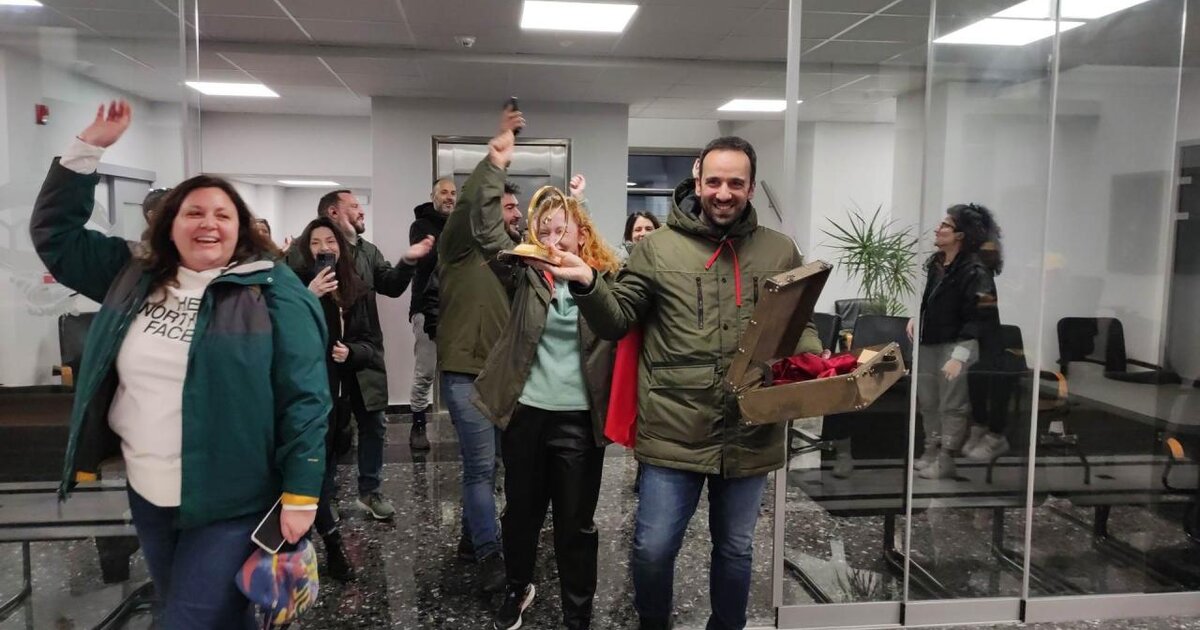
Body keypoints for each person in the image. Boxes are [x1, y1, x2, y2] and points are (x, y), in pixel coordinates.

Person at [30, 101, 329, 628]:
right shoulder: (134, 275)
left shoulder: (273, 291)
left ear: (242, 229)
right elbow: (56, 237)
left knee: (185, 620)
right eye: (193, 212)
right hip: (149, 489)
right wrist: (87, 148)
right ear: (170, 225)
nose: (207, 223)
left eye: (222, 215)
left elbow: (305, 395)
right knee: (202, 614)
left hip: (233, 497)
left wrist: (302, 493)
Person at [544, 136, 822, 630]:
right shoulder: (656, 249)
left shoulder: (780, 251)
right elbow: (617, 320)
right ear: (697, 182)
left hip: (750, 430)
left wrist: (811, 361)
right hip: (673, 430)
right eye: (713, 181)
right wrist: (588, 282)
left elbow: (799, 323)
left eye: (735, 183)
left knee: (735, 548)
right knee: (653, 549)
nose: (723, 193)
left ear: (751, 187)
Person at [472, 181, 617, 630]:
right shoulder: (525, 273)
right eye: (544, 231)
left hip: (579, 418)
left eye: (561, 230)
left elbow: (617, 321)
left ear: (582, 234)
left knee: (576, 524)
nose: (552, 241)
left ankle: (578, 613)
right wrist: (494, 169)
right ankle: (518, 589)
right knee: (520, 514)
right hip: (526, 413)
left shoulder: (605, 279)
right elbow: (486, 232)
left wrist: (584, 272)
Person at [286, 190, 434, 521]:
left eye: (330, 242)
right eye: (354, 206)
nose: (360, 211)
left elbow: (391, 286)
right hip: (323, 363)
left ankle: (370, 492)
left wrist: (408, 261)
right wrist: (310, 293)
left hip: (363, 356)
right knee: (330, 432)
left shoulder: (367, 252)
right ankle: (327, 497)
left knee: (373, 426)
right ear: (333, 213)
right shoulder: (299, 255)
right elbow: (286, 307)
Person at [435, 106, 525, 593]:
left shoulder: (514, 257)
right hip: (466, 374)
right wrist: (494, 164)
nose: (513, 214)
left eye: (514, 209)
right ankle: (490, 556)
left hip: (504, 376)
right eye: (504, 208)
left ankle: (472, 542)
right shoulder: (459, 247)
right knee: (480, 466)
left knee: (496, 467)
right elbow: (471, 204)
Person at [293, 216, 379, 582]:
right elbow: (282, 334)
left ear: (341, 248)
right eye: (315, 242)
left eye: (330, 241)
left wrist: (352, 352)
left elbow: (370, 343)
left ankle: (327, 543)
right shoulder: (293, 286)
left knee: (326, 472)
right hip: (302, 395)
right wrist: (309, 296)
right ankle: (328, 545)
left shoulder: (356, 287)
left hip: (338, 396)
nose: (323, 248)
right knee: (310, 476)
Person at [906, 203, 1002, 479]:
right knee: (928, 402)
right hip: (931, 340)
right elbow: (932, 301)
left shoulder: (975, 270)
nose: (938, 229)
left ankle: (946, 457)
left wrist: (959, 356)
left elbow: (980, 316)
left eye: (946, 225)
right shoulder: (938, 264)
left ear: (961, 234)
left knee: (952, 404)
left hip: (957, 344)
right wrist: (918, 317)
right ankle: (931, 449)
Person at [407, 177, 457, 450]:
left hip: (457, 308)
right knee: (425, 371)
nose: (449, 197)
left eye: (453, 193)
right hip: (427, 309)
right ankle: (418, 425)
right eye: (444, 192)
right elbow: (426, 260)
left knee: (457, 371)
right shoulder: (421, 226)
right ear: (433, 196)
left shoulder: (460, 223)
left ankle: (461, 422)